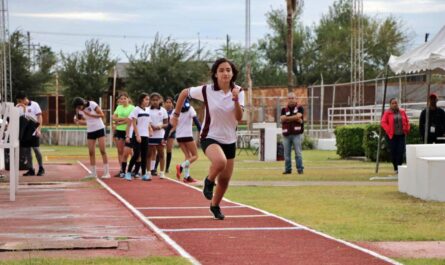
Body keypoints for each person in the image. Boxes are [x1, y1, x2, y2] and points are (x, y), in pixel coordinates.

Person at [171, 58, 244, 220]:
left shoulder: (239, 91)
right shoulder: (206, 90)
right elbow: (184, 93)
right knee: (219, 162)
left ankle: (215, 205)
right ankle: (209, 181)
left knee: (225, 180)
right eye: (221, 70)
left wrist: (236, 99)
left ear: (233, 73)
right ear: (215, 74)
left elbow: (239, 117)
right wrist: (175, 115)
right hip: (209, 136)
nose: (225, 73)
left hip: (229, 139)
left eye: (228, 70)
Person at [72, 97, 110, 179]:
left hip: (100, 128)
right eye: (77, 107)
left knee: (102, 150)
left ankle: (107, 172)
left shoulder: (92, 104)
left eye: (79, 107)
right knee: (91, 152)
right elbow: (86, 122)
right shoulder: (79, 111)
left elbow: (102, 115)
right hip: (90, 130)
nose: (79, 109)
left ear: (82, 104)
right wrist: (77, 121)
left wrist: (90, 115)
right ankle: (93, 173)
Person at [171, 97, 201, 183]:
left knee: (188, 157)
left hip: (179, 137)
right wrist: (201, 131)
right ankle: (181, 166)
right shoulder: (190, 109)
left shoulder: (174, 111)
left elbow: (171, 125)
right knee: (195, 156)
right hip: (187, 135)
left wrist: (166, 136)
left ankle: (186, 177)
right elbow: (196, 121)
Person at [15, 92, 45, 176]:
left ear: (24, 99)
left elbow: (39, 117)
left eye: (20, 101)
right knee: (27, 151)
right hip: (24, 132)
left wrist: (39, 129)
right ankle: (31, 169)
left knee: (36, 149)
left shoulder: (35, 105)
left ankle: (41, 168)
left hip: (34, 130)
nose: (19, 102)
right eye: (18, 101)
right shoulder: (18, 107)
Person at [125, 93, 153, 181]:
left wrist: (150, 129)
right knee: (136, 154)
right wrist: (137, 135)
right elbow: (134, 123)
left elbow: (148, 122)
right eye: (146, 99)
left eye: (148, 99)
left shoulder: (148, 110)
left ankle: (144, 174)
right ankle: (128, 172)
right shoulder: (136, 110)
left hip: (145, 135)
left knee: (144, 155)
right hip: (138, 135)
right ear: (141, 100)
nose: (148, 101)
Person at [381, 98, 410, 174]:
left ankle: (399, 167)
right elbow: (383, 122)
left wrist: (407, 129)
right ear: (390, 105)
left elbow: (407, 121)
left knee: (401, 151)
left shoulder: (402, 111)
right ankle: (395, 168)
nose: (394, 104)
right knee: (393, 152)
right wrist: (388, 130)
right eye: (393, 103)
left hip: (401, 135)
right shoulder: (387, 113)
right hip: (391, 136)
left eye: (396, 103)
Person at [280, 92, 304, 175]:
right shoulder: (283, 109)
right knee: (286, 154)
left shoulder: (300, 108)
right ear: (287, 99)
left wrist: (287, 118)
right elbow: (282, 119)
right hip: (286, 134)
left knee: (298, 153)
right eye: (289, 98)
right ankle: (288, 170)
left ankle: (300, 169)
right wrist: (294, 118)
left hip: (296, 134)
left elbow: (299, 116)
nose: (291, 100)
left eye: (292, 98)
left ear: (296, 98)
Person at [112, 92, 135, 177]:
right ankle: (122, 169)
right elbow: (113, 117)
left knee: (129, 151)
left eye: (124, 98)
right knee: (120, 151)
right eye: (121, 99)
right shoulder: (118, 107)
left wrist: (119, 122)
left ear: (128, 99)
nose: (123, 100)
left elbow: (130, 119)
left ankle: (134, 168)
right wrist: (122, 120)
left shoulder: (132, 108)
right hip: (119, 131)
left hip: (128, 131)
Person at [148, 93, 168, 179]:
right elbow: (145, 121)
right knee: (149, 154)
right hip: (150, 135)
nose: (155, 102)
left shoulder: (163, 110)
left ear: (160, 100)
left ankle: (162, 172)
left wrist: (160, 126)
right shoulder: (147, 110)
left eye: (157, 100)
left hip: (160, 135)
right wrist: (151, 127)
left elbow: (166, 124)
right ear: (150, 101)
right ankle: (149, 171)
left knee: (161, 153)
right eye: (153, 100)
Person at [162, 97, 176, 173]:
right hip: (162, 133)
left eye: (170, 102)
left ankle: (167, 168)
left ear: (172, 104)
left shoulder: (174, 112)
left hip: (171, 133)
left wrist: (170, 132)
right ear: (164, 103)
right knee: (161, 149)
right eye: (167, 102)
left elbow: (175, 124)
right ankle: (155, 167)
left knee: (168, 150)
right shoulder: (162, 111)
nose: (168, 104)